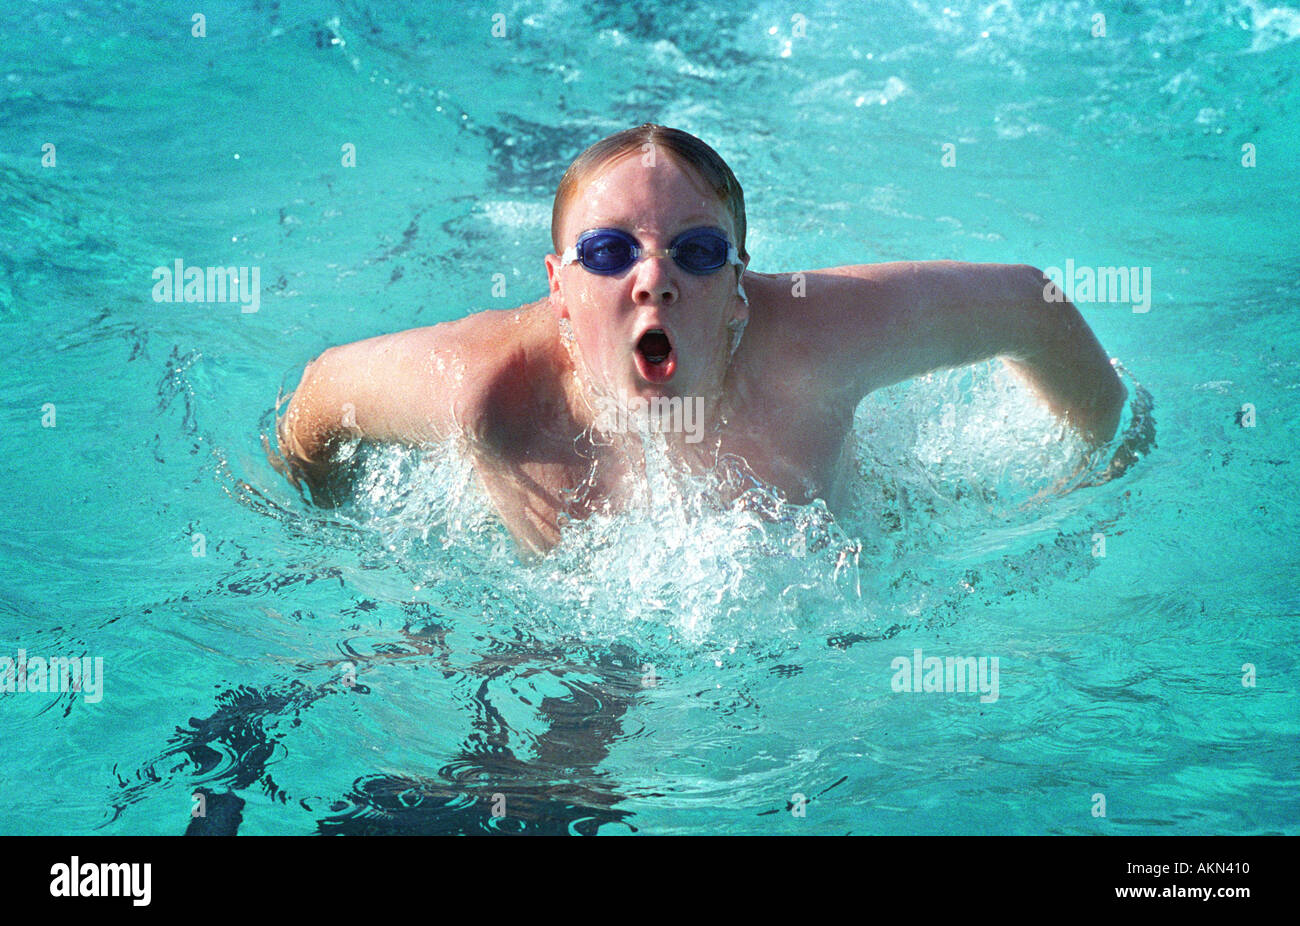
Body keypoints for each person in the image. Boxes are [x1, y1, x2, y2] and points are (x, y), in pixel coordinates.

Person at [274, 124, 1126, 555]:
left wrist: (1104, 471)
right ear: (559, 290)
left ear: (737, 289)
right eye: (608, 253)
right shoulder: (484, 390)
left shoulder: (815, 342)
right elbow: (317, 397)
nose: (654, 278)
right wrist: (332, 538)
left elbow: (1034, 302)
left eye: (697, 250)